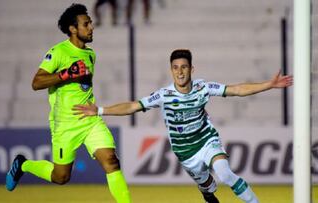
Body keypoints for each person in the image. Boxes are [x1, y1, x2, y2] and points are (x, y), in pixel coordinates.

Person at [73, 49, 294, 203]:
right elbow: (133, 105)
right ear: (171, 70)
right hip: (185, 152)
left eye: (184, 67)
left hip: (207, 140)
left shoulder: (203, 87)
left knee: (224, 173)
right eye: (175, 68)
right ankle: (208, 196)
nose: (180, 72)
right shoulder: (164, 95)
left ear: (192, 69)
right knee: (208, 188)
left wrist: (269, 85)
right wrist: (100, 110)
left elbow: (235, 89)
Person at [5, 4, 131, 203]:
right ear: (73, 29)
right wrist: (65, 74)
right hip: (64, 124)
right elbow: (36, 83)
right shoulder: (58, 52)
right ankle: (23, 165)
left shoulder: (91, 54)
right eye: (86, 24)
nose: (91, 27)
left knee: (111, 161)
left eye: (90, 23)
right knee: (61, 177)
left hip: (90, 119)